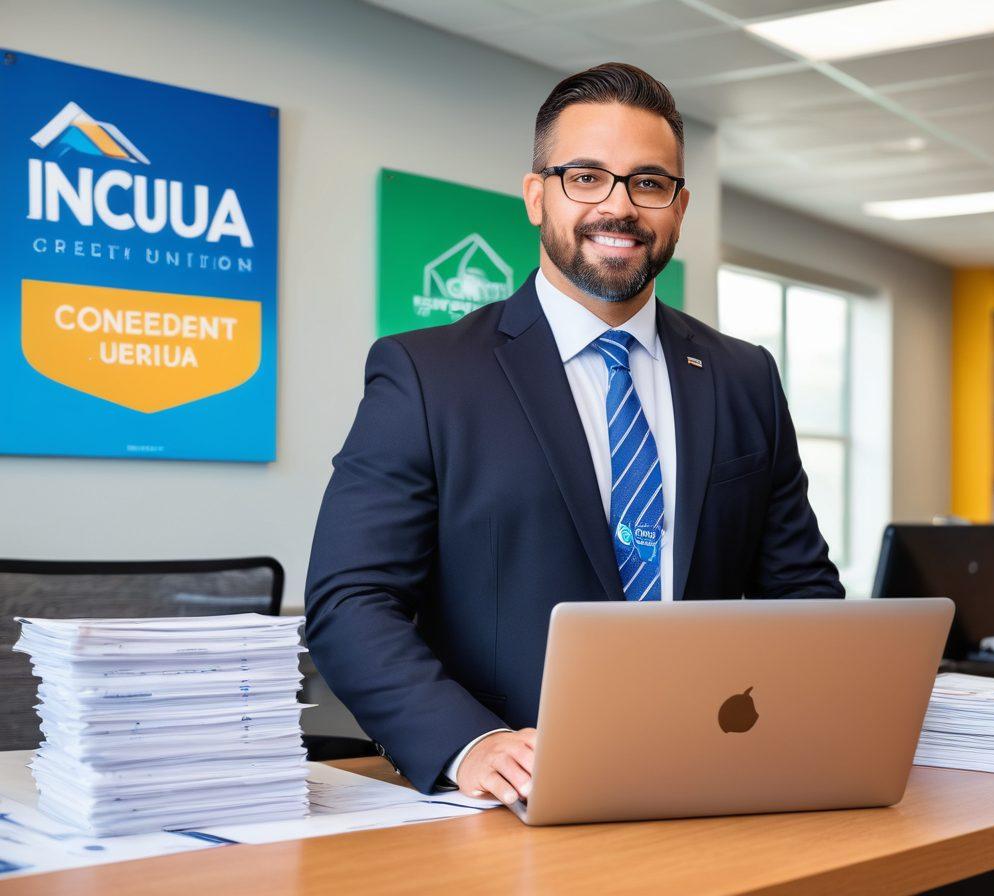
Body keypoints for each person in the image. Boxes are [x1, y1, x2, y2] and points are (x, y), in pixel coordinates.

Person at [304, 62, 843, 805]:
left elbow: (802, 595)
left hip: (711, 777)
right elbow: (351, 600)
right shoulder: (427, 376)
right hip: (513, 794)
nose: (618, 207)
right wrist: (467, 742)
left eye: (648, 183)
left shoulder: (742, 377)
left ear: (679, 208)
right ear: (537, 196)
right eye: (586, 176)